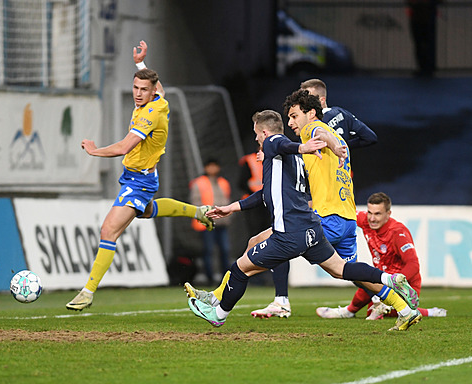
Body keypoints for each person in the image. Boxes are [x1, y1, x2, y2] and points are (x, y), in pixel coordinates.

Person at [186, 109, 421, 332]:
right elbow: (265, 193)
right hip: (312, 230)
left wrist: (302, 146)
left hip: (290, 233)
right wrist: (231, 208)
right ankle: (390, 280)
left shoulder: (275, 143)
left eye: (257, 134)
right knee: (341, 269)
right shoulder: (288, 160)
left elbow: (280, 142)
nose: (257, 139)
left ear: (264, 132)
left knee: (240, 268)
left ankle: (221, 313)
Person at [66, 40, 214, 311]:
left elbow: (124, 147)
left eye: (143, 89)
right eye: (135, 87)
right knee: (147, 211)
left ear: (150, 91)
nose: (137, 93)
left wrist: (95, 151)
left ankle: (88, 292)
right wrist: (140, 63)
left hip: (140, 181)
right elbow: (159, 86)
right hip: (136, 176)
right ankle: (198, 212)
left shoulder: (150, 115)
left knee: (108, 230)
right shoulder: (158, 98)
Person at [250, 79, 377, 318]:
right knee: (348, 271)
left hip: (328, 215)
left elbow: (317, 133)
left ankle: (280, 301)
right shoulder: (338, 136)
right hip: (347, 216)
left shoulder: (314, 129)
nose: (291, 123)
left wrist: (332, 146)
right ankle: (392, 294)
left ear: (313, 107)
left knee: (277, 239)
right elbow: (368, 137)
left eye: (294, 116)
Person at [316, 192, 447, 319]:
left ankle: (429, 312)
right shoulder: (366, 221)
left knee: (387, 311)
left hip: (405, 284)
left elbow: (413, 265)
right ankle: (348, 311)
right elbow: (344, 215)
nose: (372, 218)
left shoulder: (398, 232)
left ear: (388, 214)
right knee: (360, 274)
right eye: (370, 213)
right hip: (382, 279)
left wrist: (395, 284)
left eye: (377, 214)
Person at [300, 79, 377, 150]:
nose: (303, 102)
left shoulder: (312, 122)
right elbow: (370, 137)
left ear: (322, 100)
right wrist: (344, 146)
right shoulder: (342, 113)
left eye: (308, 98)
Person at [190, 158, 232, 285]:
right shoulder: (199, 182)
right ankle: (210, 278)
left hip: (222, 223)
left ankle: (226, 278)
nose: (212, 169)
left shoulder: (223, 182)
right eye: (210, 166)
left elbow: (227, 200)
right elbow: (195, 201)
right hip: (207, 222)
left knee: (225, 250)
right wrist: (204, 217)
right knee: (208, 250)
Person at [406, 0, 440, 77]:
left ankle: (428, 68)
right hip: (417, 18)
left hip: (427, 18)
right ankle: (423, 67)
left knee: (426, 43)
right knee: (419, 43)